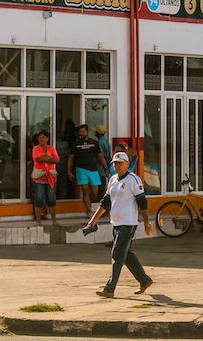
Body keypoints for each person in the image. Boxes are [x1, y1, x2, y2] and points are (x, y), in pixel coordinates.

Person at [86, 151, 154, 299]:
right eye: (115, 163)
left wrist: (147, 223)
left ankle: (110, 288)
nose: (117, 165)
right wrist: (93, 220)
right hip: (116, 223)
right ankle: (144, 280)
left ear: (127, 164)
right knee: (125, 254)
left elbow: (142, 202)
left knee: (117, 255)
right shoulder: (113, 180)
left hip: (128, 223)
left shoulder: (134, 180)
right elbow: (106, 202)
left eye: (120, 162)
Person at [68, 124, 109, 218]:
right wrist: (69, 171)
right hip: (81, 169)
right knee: (85, 191)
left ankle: (89, 202)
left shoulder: (94, 143)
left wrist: (106, 168)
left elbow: (101, 156)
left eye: (83, 131)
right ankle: (89, 210)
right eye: (80, 132)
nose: (81, 134)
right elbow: (70, 158)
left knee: (95, 192)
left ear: (87, 132)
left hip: (94, 170)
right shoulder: (76, 144)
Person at [31, 130, 60, 226]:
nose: (41, 139)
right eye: (40, 138)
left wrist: (45, 157)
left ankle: (54, 221)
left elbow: (56, 159)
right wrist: (49, 157)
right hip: (39, 175)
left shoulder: (51, 148)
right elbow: (38, 159)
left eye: (43, 137)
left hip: (51, 175)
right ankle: (38, 221)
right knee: (39, 198)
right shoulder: (35, 148)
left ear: (47, 139)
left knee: (51, 198)